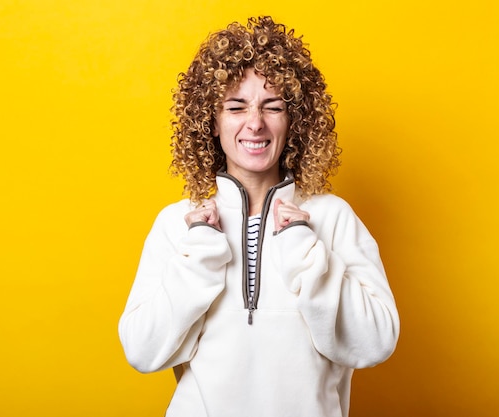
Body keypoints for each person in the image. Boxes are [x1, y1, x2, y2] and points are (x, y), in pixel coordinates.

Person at [118, 16, 400, 417]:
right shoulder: (178, 225)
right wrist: (199, 255)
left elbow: (375, 341)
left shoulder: (332, 218)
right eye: (236, 107)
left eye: (273, 106)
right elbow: (142, 350)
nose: (255, 123)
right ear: (211, 122)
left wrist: (304, 247)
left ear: (294, 121)